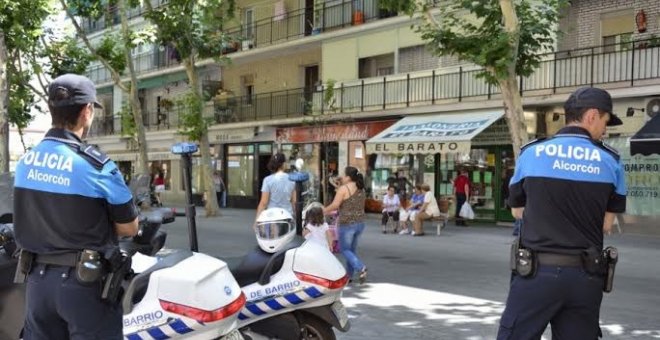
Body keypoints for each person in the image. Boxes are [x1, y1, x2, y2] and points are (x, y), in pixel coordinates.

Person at [13, 73, 139, 339]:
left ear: (51, 109)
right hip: (84, 286)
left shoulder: (26, 162)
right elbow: (129, 228)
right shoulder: (97, 166)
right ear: (87, 111)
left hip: (37, 284)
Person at [496, 87, 626, 339]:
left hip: (535, 275)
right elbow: (606, 224)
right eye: (605, 121)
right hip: (585, 277)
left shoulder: (531, 153)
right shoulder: (611, 161)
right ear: (591, 116)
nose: (605, 129)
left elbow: (517, 210)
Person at [323, 166, 368, 284]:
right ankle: (349, 276)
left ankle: (361, 267)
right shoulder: (361, 188)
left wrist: (322, 211)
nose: (342, 176)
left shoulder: (344, 189)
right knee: (351, 250)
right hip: (360, 223)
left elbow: (335, 205)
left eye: (344, 175)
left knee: (344, 250)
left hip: (347, 224)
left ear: (348, 177)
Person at [256, 152, 296, 222]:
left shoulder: (267, 180)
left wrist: (257, 220)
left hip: (272, 216)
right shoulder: (292, 179)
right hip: (287, 215)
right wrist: (296, 217)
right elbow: (294, 201)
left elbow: (263, 203)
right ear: (283, 164)